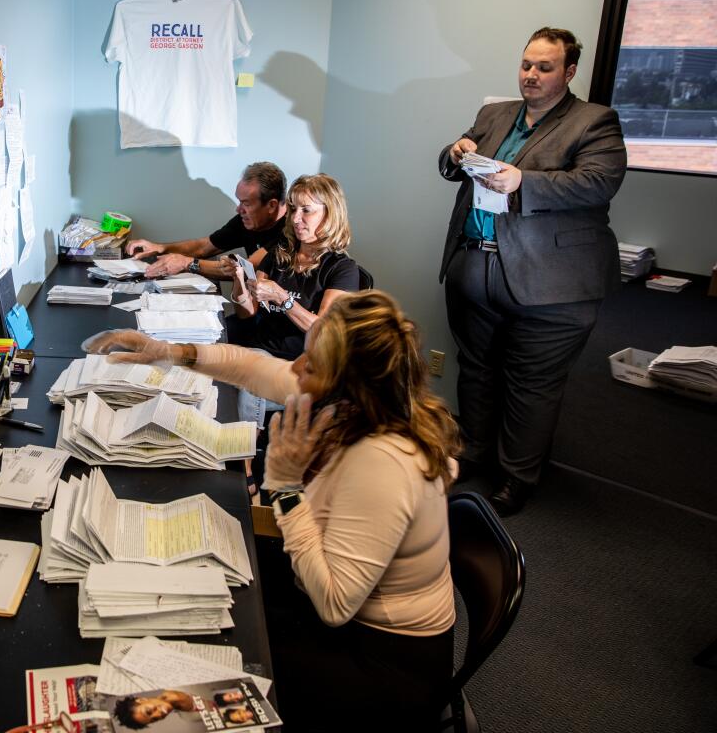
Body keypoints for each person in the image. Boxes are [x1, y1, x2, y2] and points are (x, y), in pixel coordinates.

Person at [85, 290, 459, 727]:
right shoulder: (352, 402)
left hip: (380, 657)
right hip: (330, 601)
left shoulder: (383, 461)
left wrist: (284, 488)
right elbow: (252, 366)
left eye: (312, 365)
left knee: (211, 660)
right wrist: (168, 352)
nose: (297, 369)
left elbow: (335, 604)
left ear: (349, 382)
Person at [437, 27, 627, 516]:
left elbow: (597, 183)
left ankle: (517, 476)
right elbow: (452, 163)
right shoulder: (494, 113)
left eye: (544, 67)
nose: (531, 75)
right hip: (475, 261)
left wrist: (524, 181)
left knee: (532, 382)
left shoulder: (595, 121)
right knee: (475, 369)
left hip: (551, 280)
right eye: (526, 64)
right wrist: (456, 150)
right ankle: (475, 452)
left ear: (568, 72)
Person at [227, 173, 359, 361]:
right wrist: (239, 281)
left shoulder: (343, 270)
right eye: (293, 209)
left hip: (298, 360)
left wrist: (282, 297)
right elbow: (247, 314)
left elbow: (323, 329)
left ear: (330, 214)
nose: (296, 219)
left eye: (306, 210)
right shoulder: (277, 255)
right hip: (257, 347)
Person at [124, 162, 287, 279]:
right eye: (239, 201)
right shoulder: (249, 219)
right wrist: (160, 248)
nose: (238, 209)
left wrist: (187, 263)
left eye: (246, 203)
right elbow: (204, 247)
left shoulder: (292, 229)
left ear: (271, 205)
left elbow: (247, 268)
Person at [111, 690, 194, 728]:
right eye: (155, 719)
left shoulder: (176, 682)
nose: (159, 715)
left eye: (149, 711)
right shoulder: (190, 717)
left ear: (141, 700)